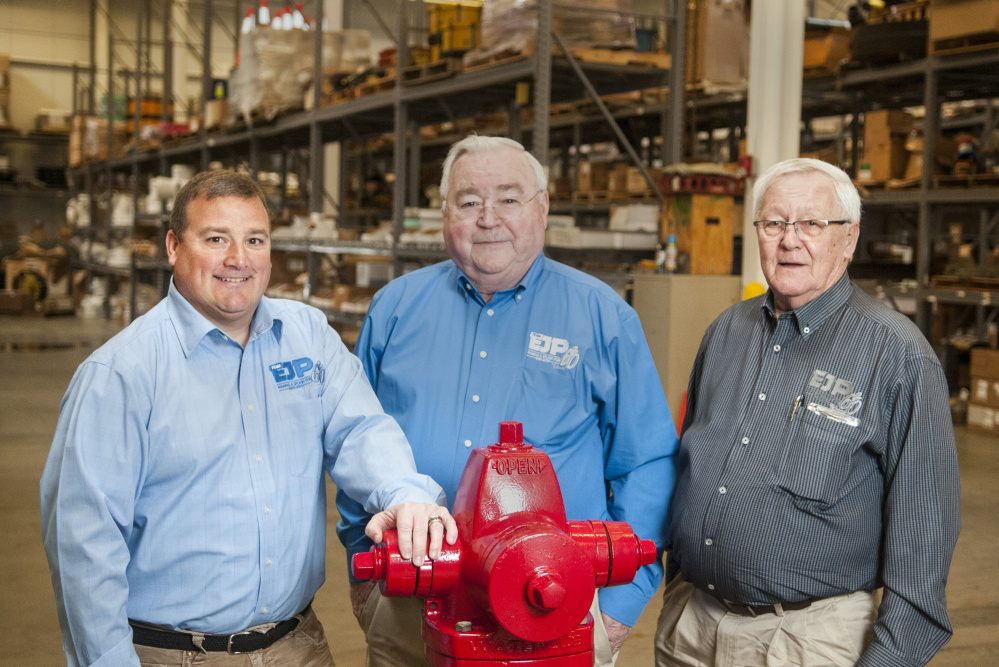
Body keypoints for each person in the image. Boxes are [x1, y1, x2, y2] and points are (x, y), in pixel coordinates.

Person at [40, 170, 457, 667]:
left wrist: (405, 493)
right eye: (216, 238)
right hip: (172, 655)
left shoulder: (307, 335)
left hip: (297, 645)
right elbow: (84, 547)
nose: (238, 259)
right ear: (173, 246)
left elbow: (360, 430)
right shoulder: (120, 374)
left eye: (254, 239)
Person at [336, 135, 678, 667]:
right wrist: (365, 566)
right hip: (411, 601)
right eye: (469, 201)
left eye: (509, 199)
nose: (488, 218)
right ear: (445, 213)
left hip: (552, 606)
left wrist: (619, 603)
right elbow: (353, 435)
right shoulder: (395, 310)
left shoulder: (602, 318)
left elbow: (648, 462)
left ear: (541, 209)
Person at [656, 158, 961, 667]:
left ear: (849, 238)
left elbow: (923, 537)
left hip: (806, 641)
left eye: (812, 224)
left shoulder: (897, 356)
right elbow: (689, 470)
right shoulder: (725, 333)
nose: (789, 240)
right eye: (774, 223)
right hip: (692, 626)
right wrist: (677, 595)